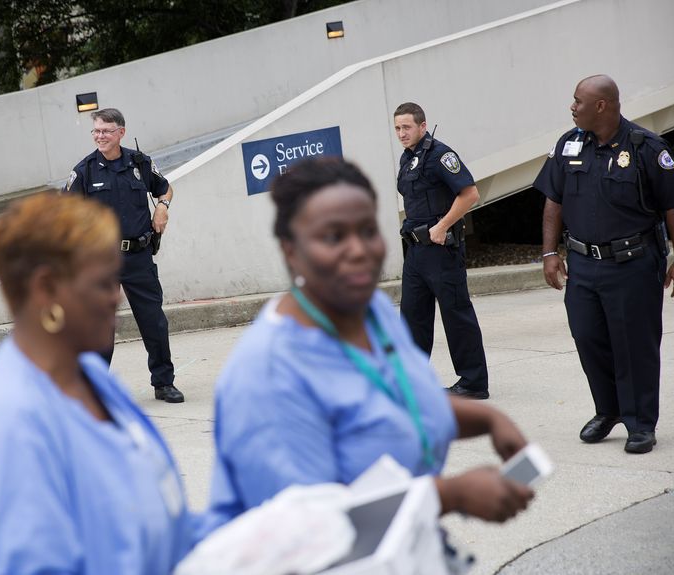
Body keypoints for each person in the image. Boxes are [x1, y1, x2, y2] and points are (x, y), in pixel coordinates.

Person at [200, 158, 533, 537]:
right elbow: (302, 532)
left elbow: (400, 400)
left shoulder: (370, 310)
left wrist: (490, 421)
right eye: (333, 236)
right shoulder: (267, 373)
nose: (358, 250)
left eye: (368, 230)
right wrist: (449, 495)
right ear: (290, 249)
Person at [0, 193, 195, 573]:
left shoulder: (93, 378)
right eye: (102, 282)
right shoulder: (12, 424)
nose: (116, 297)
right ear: (46, 288)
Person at [534, 74, 674, 454]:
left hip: (633, 264)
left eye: (578, 101)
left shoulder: (645, 147)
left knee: (634, 344)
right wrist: (549, 252)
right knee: (589, 338)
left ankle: (640, 422)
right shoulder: (569, 144)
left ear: (601, 106)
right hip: (583, 265)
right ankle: (608, 411)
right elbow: (553, 201)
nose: (572, 107)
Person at [65, 107, 182, 403]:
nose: (99, 136)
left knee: (154, 321)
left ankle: (164, 383)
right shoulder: (84, 171)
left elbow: (165, 188)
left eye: (105, 131)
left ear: (121, 132)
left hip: (138, 256)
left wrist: (162, 206)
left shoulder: (139, 163)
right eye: (96, 131)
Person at [394, 102, 490, 399]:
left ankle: (473, 383)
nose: (401, 133)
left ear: (422, 126)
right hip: (415, 251)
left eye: (406, 127)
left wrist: (443, 225)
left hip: (441, 249)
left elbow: (470, 193)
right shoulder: (407, 158)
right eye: (397, 128)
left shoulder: (440, 155)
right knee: (412, 317)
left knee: (456, 314)